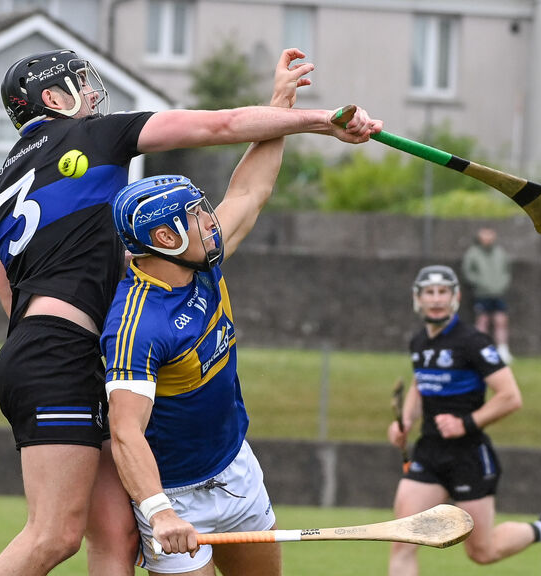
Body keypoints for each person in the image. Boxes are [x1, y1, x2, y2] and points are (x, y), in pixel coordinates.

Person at [0, 47, 380, 576]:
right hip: (59, 353)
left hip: (41, 348)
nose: (95, 93)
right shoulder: (92, 137)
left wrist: (281, 105)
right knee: (53, 534)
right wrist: (321, 122)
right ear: (54, 98)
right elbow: (222, 125)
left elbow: (8, 293)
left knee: (117, 539)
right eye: (81, 83)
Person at [98, 47, 375, 576]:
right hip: (176, 498)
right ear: (165, 237)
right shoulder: (136, 324)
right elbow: (125, 432)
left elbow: (251, 188)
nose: (211, 221)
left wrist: (281, 106)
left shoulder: (202, 262)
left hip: (236, 468)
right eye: (198, 216)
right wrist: (158, 511)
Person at [386, 265, 541, 575]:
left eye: (443, 292)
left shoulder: (473, 342)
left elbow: (510, 396)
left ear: (455, 297)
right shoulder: (419, 342)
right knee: (402, 541)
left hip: (470, 457)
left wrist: (466, 423)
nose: (436, 299)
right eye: (429, 293)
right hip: (428, 455)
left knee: (482, 552)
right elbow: (420, 383)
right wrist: (406, 420)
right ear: (417, 298)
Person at [461, 227, 512, 363]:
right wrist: (480, 283)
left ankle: (503, 350)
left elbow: (507, 270)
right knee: (482, 321)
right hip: (481, 293)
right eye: (484, 234)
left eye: (490, 234)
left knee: (501, 321)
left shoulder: (500, 252)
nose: (487, 237)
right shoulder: (473, 253)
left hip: (498, 293)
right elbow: (468, 272)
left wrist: (502, 284)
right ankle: (480, 349)